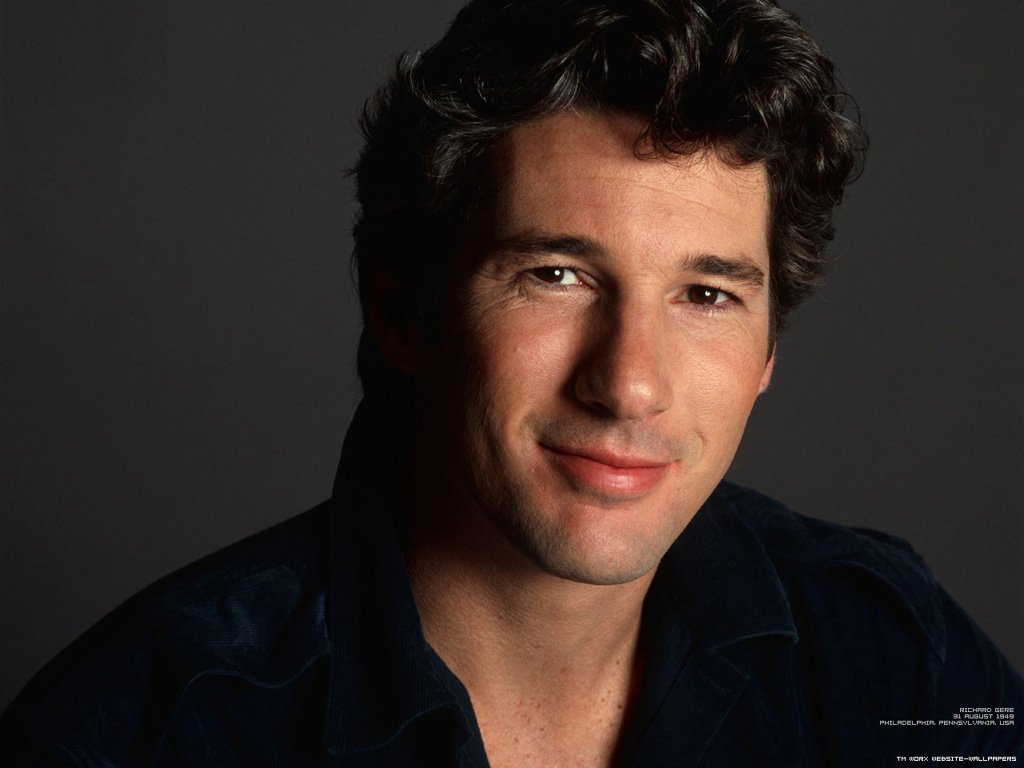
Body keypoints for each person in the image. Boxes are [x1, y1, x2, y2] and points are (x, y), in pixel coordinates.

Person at [2, 0, 1021, 764]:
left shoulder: (896, 664)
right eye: (556, 276)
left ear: (767, 355)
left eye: (706, 295)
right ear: (405, 314)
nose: (629, 386)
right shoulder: (143, 730)